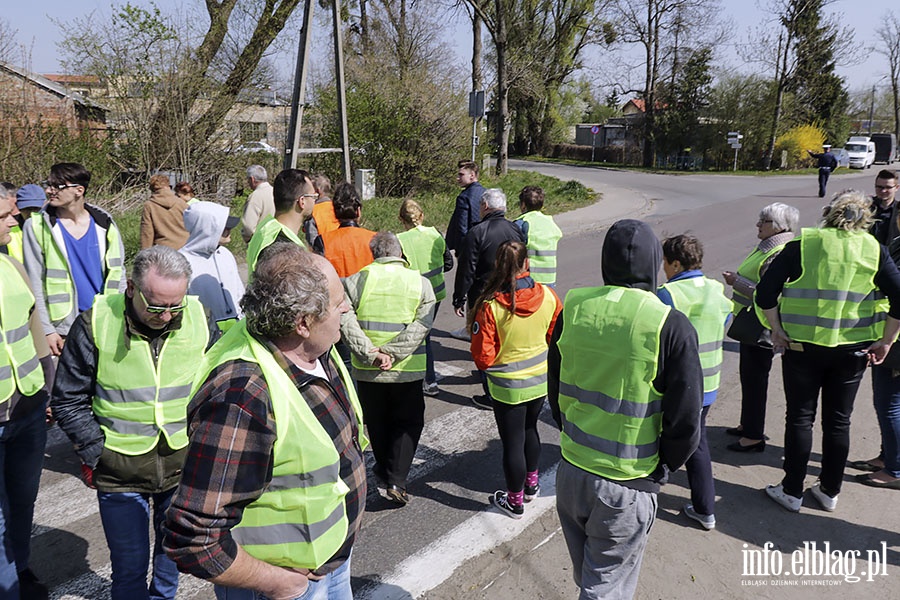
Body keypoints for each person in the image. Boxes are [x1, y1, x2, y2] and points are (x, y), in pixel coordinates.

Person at [162, 243, 367, 600]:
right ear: (303, 322)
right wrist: (281, 584)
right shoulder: (242, 395)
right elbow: (192, 539)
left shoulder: (312, 347)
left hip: (330, 563)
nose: (347, 307)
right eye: (338, 304)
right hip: (280, 585)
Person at [549, 219, 702, 599]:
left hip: (571, 471)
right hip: (627, 480)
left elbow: (555, 391)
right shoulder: (669, 324)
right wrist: (663, 466)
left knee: (589, 575)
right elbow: (685, 418)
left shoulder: (575, 308)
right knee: (606, 587)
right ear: (654, 262)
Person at [51, 245, 210, 599]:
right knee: (129, 568)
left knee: (173, 559)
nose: (166, 316)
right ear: (131, 288)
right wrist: (96, 451)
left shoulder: (201, 316)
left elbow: (214, 384)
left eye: (175, 306)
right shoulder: (95, 323)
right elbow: (67, 397)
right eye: (156, 306)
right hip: (119, 471)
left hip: (181, 466)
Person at [757, 190, 900, 512]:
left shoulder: (804, 244)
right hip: (852, 352)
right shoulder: (874, 249)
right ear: (867, 215)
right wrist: (887, 340)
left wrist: (776, 330)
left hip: (802, 348)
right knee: (839, 421)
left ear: (829, 211)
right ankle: (829, 492)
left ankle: (791, 491)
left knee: (800, 418)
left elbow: (766, 292)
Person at [340, 232, 435, 505]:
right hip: (406, 369)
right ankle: (396, 479)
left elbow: (346, 321)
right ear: (400, 252)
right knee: (408, 422)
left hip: (369, 370)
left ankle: (384, 470)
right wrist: (393, 353)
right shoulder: (420, 283)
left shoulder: (357, 280)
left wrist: (371, 353)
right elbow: (422, 325)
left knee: (378, 422)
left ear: (374, 254)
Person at [469, 241, 561, 519]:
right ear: (527, 263)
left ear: (498, 265)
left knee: (512, 442)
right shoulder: (548, 296)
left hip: (507, 387)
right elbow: (555, 337)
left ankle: (515, 501)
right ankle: (532, 485)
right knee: (531, 430)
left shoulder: (490, 306)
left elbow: (483, 358)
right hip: (539, 381)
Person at [0, 192, 54, 599]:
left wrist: (48, 392)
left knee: (22, 503)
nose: (14, 221)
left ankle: (20, 569)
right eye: (4, 216)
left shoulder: (10, 265)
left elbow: (35, 331)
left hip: (28, 408)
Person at [657, 234, 732, 530]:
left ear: (675, 263)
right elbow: (725, 321)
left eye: (665, 262)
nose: (663, 268)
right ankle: (702, 507)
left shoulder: (668, 294)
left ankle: (704, 508)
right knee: (695, 437)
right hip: (709, 382)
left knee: (689, 442)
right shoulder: (717, 289)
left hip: (677, 383)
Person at [23, 163, 127, 357]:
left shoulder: (104, 223)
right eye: (48, 184)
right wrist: (47, 329)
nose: (48, 190)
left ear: (79, 190)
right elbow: (34, 283)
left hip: (104, 321)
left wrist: (120, 317)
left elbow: (118, 273)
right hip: (63, 328)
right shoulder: (36, 226)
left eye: (57, 186)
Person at [722, 202, 799, 452]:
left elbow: (768, 293)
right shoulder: (768, 246)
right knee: (749, 377)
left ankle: (754, 436)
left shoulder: (778, 251)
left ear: (777, 227)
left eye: (762, 221)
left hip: (762, 325)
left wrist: (737, 281)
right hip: (751, 323)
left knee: (755, 380)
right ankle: (748, 424)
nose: (758, 225)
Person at [397, 199, 453, 396]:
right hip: (436, 293)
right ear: (422, 215)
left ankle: (427, 380)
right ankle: (427, 379)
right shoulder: (435, 233)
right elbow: (449, 264)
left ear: (400, 219)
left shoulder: (400, 240)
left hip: (413, 295)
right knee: (424, 335)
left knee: (419, 337)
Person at [453, 188, 525, 318]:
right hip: (510, 292)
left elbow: (467, 269)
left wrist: (459, 297)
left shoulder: (476, 232)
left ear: (485, 206)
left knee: (483, 334)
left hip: (483, 295)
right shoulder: (515, 229)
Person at [180, 201, 245, 333]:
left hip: (235, 332)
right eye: (224, 226)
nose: (230, 230)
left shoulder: (225, 254)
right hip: (204, 336)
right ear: (207, 228)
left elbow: (239, 293)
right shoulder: (181, 261)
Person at [245, 168, 317, 274]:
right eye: (313, 196)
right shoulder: (285, 249)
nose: (315, 201)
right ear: (302, 201)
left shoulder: (266, 229)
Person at [314, 182, 376, 278]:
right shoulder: (375, 239)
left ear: (334, 212)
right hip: (368, 292)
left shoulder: (323, 241)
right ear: (358, 211)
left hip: (337, 292)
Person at [513, 186, 563, 286]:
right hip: (549, 278)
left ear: (523, 205)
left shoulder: (522, 223)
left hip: (530, 280)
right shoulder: (550, 222)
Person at [445, 160, 485, 255]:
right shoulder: (486, 193)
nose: (457, 178)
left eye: (461, 175)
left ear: (472, 175)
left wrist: (460, 251)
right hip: (484, 243)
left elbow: (462, 228)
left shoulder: (464, 197)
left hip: (469, 246)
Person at [140, 174, 189, 250]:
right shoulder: (182, 203)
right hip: (184, 248)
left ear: (152, 189)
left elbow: (147, 234)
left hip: (162, 251)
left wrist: (145, 254)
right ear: (168, 186)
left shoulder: (149, 206)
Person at [239, 165, 274, 243]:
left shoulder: (255, 196)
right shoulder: (276, 192)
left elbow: (248, 226)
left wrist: (249, 240)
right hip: (275, 239)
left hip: (259, 242)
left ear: (252, 179)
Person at [868, 169, 899, 244]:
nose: (883, 191)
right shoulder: (865, 207)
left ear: (897, 188)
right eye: (879, 187)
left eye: (888, 187)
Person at [310, 173, 339, 244]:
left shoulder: (312, 211)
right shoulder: (337, 207)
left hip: (322, 251)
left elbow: (312, 240)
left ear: (317, 191)